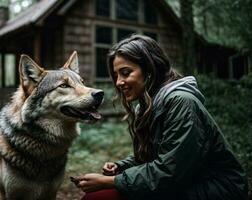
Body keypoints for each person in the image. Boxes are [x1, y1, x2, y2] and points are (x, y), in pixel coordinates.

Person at [73, 34, 248, 200]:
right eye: (116, 75)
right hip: (186, 181)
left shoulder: (181, 102)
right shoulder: (151, 103)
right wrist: (122, 166)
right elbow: (161, 154)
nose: (119, 82)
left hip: (217, 188)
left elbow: (169, 172)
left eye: (126, 73)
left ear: (150, 70)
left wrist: (110, 181)